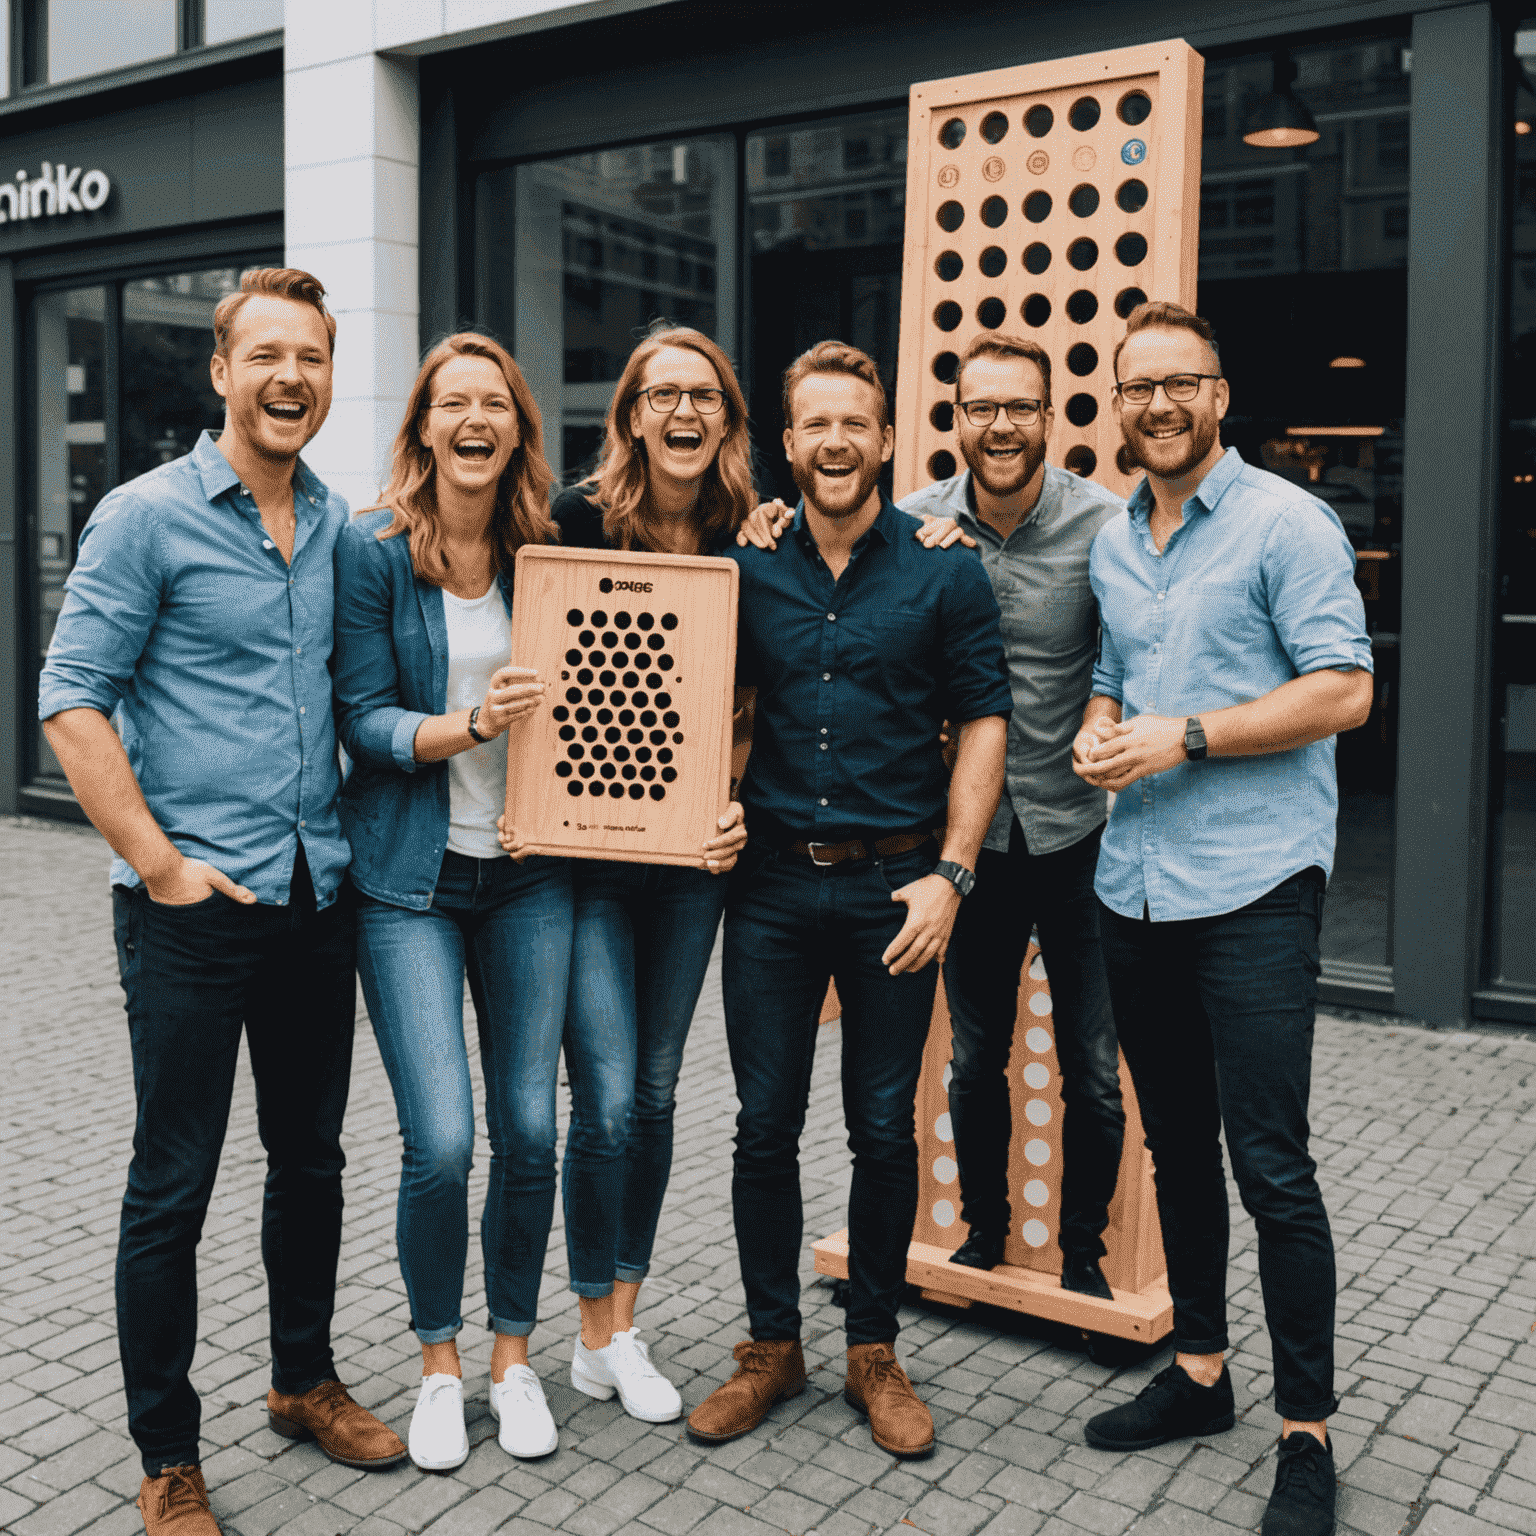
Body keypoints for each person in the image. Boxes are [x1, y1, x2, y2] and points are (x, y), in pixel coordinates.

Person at [38, 268, 406, 1536]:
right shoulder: (144, 518)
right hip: (191, 912)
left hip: (317, 899)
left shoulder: (339, 524)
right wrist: (161, 865)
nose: (289, 378)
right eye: (266, 356)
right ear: (222, 371)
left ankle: (302, 1379)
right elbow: (71, 700)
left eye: (310, 356)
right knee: (173, 1182)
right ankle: (166, 1455)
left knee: (310, 1160)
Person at [1073, 302, 1372, 1536]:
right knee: (1175, 1149)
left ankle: (1306, 1434)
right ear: (1121, 406)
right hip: (1134, 882)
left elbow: (1347, 689)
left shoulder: (1287, 523)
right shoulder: (1114, 539)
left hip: (1251, 884)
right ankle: (1202, 1371)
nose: (1157, 405)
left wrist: (1186, 734)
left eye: (1178, 384)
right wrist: (1104, 727)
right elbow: (1114, 683)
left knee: (1271, 1166)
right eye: (1137, 388)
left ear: (1217, 393)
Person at [687, 340, 1012, 1460]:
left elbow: (984, 721)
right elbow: (701, 698)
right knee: (762, 1126)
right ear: (790, 444)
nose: (835, 442)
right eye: (813, 424)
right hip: (772, 886)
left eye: (854, 424)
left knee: (882, 1127)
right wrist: (709, 806)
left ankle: (872, 1347)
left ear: (885, 439)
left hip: (895, 888)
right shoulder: (748, 562)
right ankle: (771, 1346)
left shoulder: (944, 568)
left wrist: (954, 876)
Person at [332, 333, 574, 1471]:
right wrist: (467, 726)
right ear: (424, 427)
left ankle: (515, 1356)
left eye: (496, 404)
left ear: (518, 429)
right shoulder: (375, 554)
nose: (475, 420)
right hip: (412, 885)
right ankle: (439, 1366)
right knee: (442, 1140)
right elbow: (362, 720)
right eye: (453, 403)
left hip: (530, 874)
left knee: (533, 1131)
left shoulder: (551, 554)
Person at [532, 324, 748, 1424]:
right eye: (661, 393)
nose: (683, 411)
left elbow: (759, 701)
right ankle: (589, 1333)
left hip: (692, 869)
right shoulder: (575, 521)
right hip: (592, 860)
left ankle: (621, 1322)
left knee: (657, 1094)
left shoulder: (751, 538)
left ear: (725, 417)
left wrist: (733, 801)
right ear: (630, 414)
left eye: (703, 394)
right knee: (607, 1098)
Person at [897, 333, 1127, 1296]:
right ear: (956, 418)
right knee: (975, 1056)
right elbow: (814, 551)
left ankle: (1084, 1256)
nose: (1000, 425)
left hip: (1080, 835)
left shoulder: (1105, 526)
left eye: (1019, 407)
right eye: (981, 407)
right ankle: (984, 1236)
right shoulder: (908, 524)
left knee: (1097, 1071)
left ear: (1049, 415)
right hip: (973, 842)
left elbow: (1132, 656)